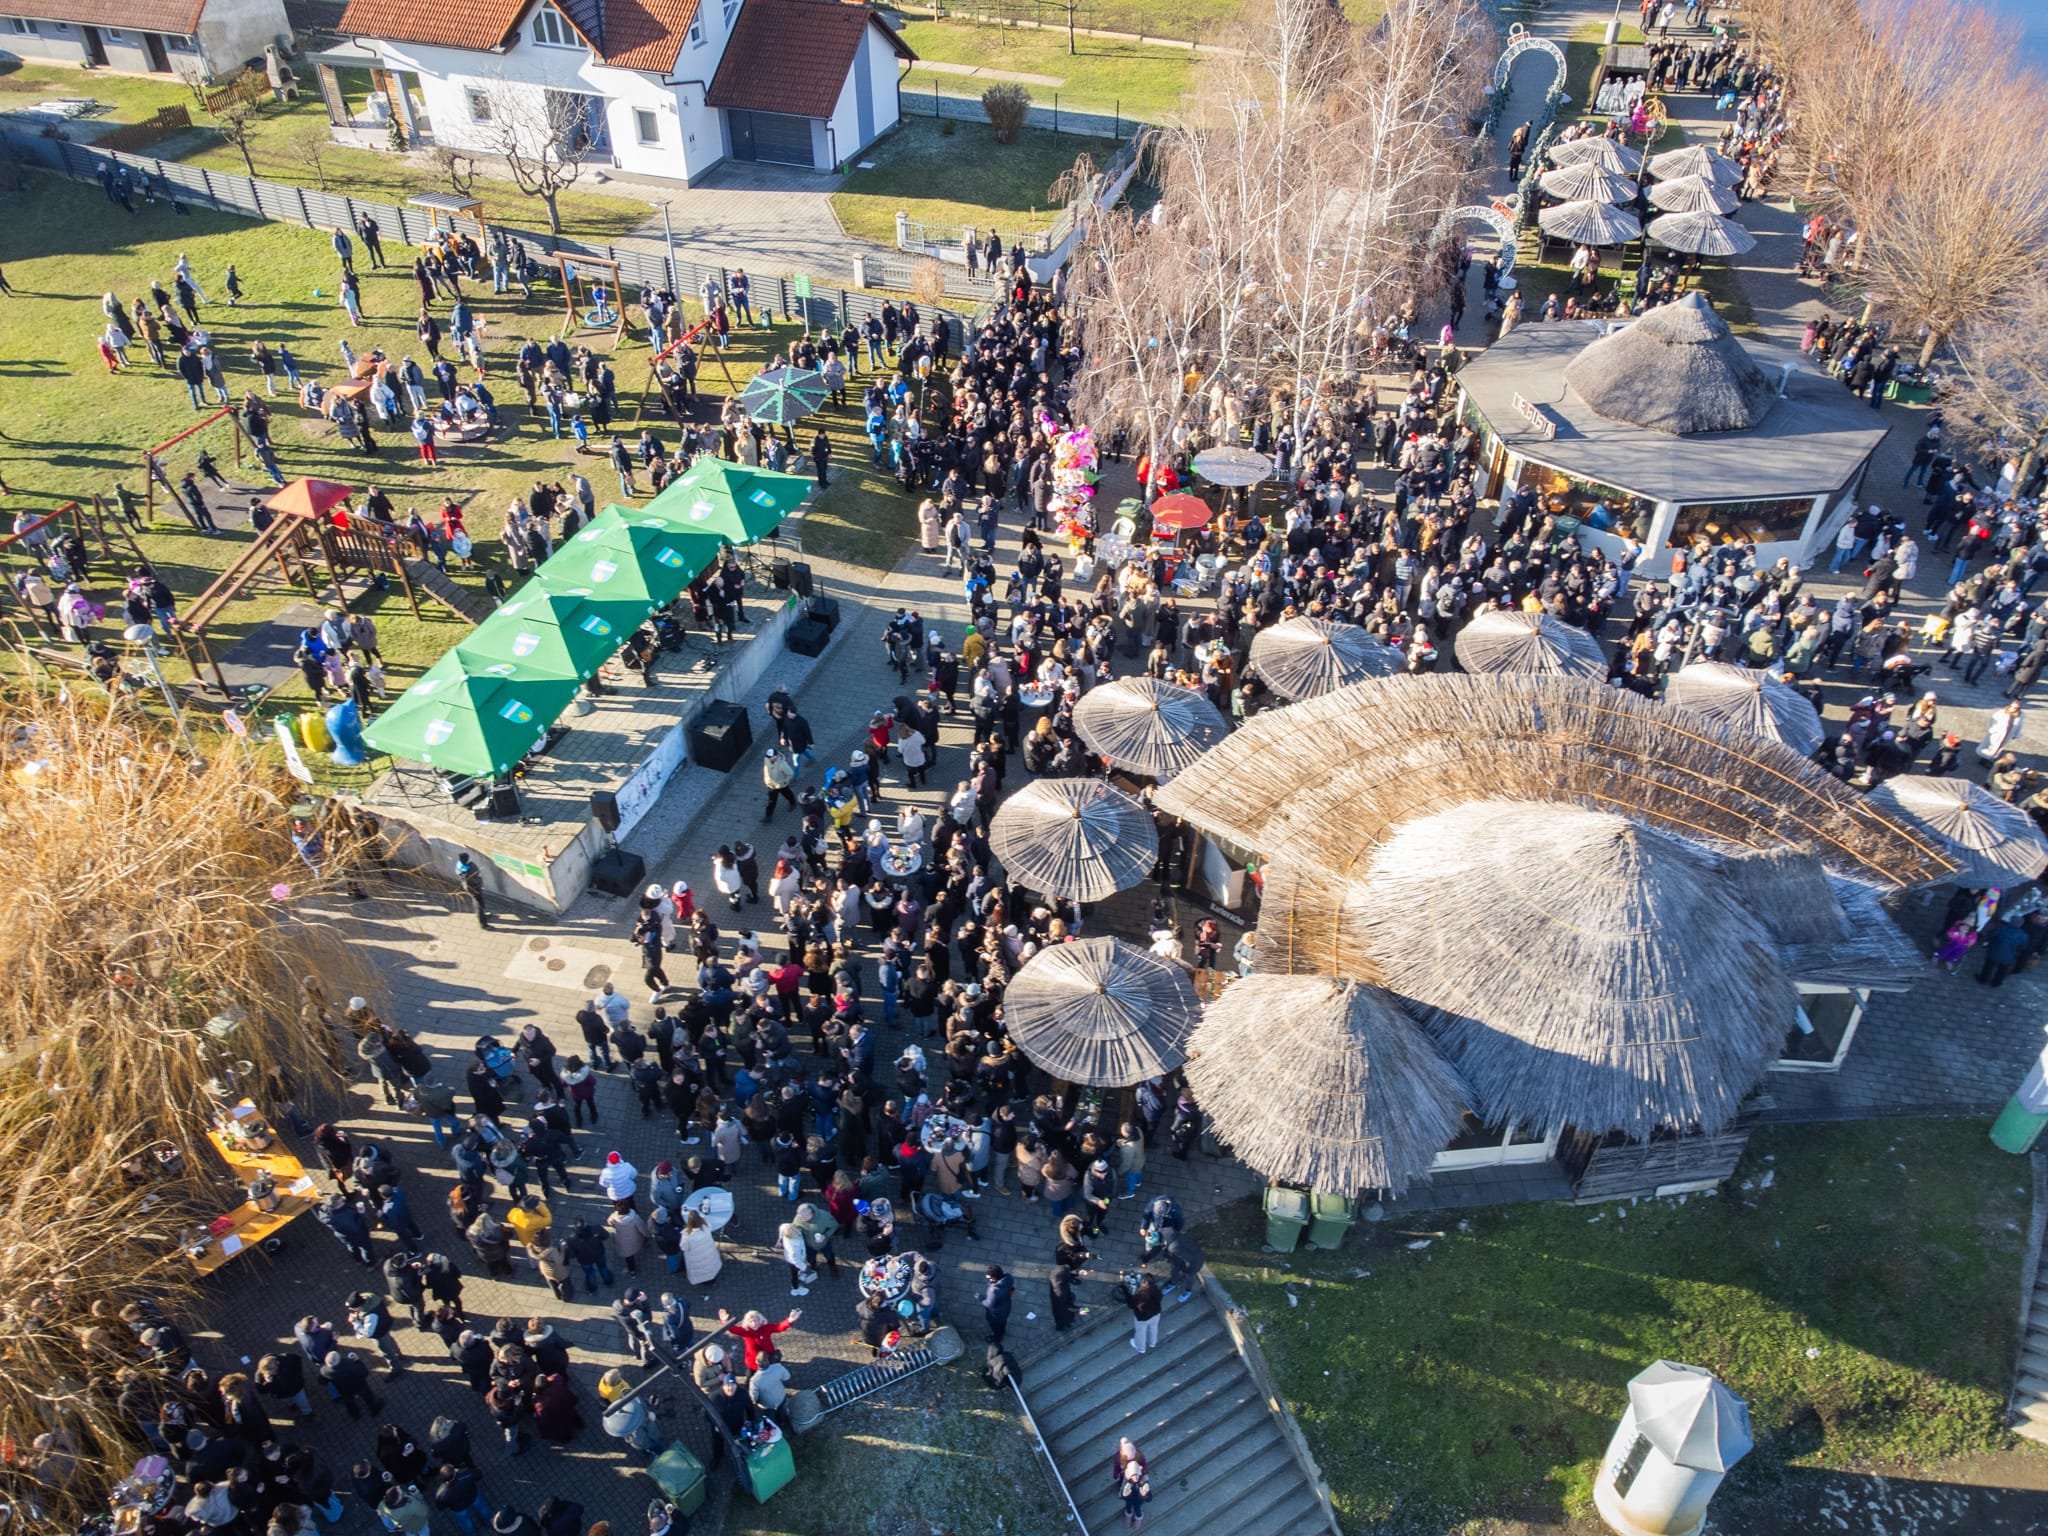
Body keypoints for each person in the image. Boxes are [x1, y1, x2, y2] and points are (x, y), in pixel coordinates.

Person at [1112, 1439, 1152, 1530]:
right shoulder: (1126, 1482)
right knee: (1128, 1508)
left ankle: (1138, 1520)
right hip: (1129, 1498)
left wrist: (1145, 1493)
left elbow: (1149, 1498)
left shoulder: (1142, 1482)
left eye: (1136, 1475)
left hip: (1138, 1500)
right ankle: (1128, 1517)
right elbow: (1121, 1495)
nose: (1135, 1478)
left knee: (1137, 1509)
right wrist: (1125, 1493)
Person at [1126, 1272, 1164, 1355]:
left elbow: (1131, 1305)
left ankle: (1140, 1347)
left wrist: (1132, 1294)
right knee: (1153, 1328)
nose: (1141, 1283)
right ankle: (1152, 1342)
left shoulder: (1140, 1296)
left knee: (1141, 1331)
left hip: (1143, 1317)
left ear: (1146, 1285)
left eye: (1143, 1282)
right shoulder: (1156, 1290)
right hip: (1155, 1314)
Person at [980, 1264, 1014, 1346]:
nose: (987, 1278)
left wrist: (980, 1298)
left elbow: (989, 1304)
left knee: (995, 1326)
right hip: (1006, 1308)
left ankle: (997, 1338)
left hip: (996, 1314)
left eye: (988, 1277)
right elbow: (1012, 1289)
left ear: (994, 1278)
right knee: (1002, 1322)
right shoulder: (1008, 1278)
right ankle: (1002, 1331)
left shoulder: (994, 1291)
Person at [456, 852, 491, 930]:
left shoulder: (459, 864)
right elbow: (473, 878)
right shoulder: (468, 868)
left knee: (478, 902)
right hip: (474, 888)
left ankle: (482, 915)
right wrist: (478, 884)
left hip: (469, 887)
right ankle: (483, 924)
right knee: (479, 905)